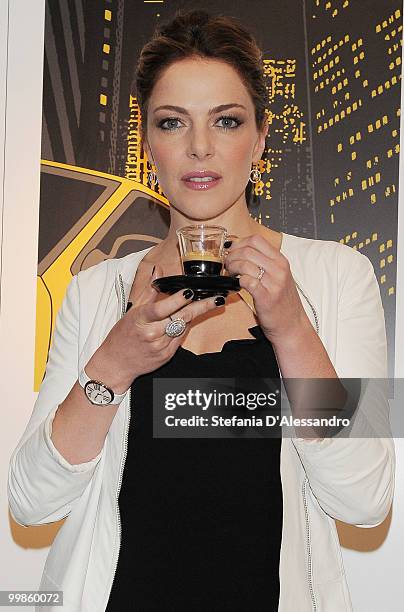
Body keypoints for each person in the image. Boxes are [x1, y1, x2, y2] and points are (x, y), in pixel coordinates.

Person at [8, 9, 394, 612]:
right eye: (172, 123)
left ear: (261, 139)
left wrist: (292, 328)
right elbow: (30, 501)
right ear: (148, 143)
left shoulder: (337, 277)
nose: (199, 147)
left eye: (227, 121)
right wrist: (111, 366)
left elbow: (366, 500)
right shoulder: (94, 292)